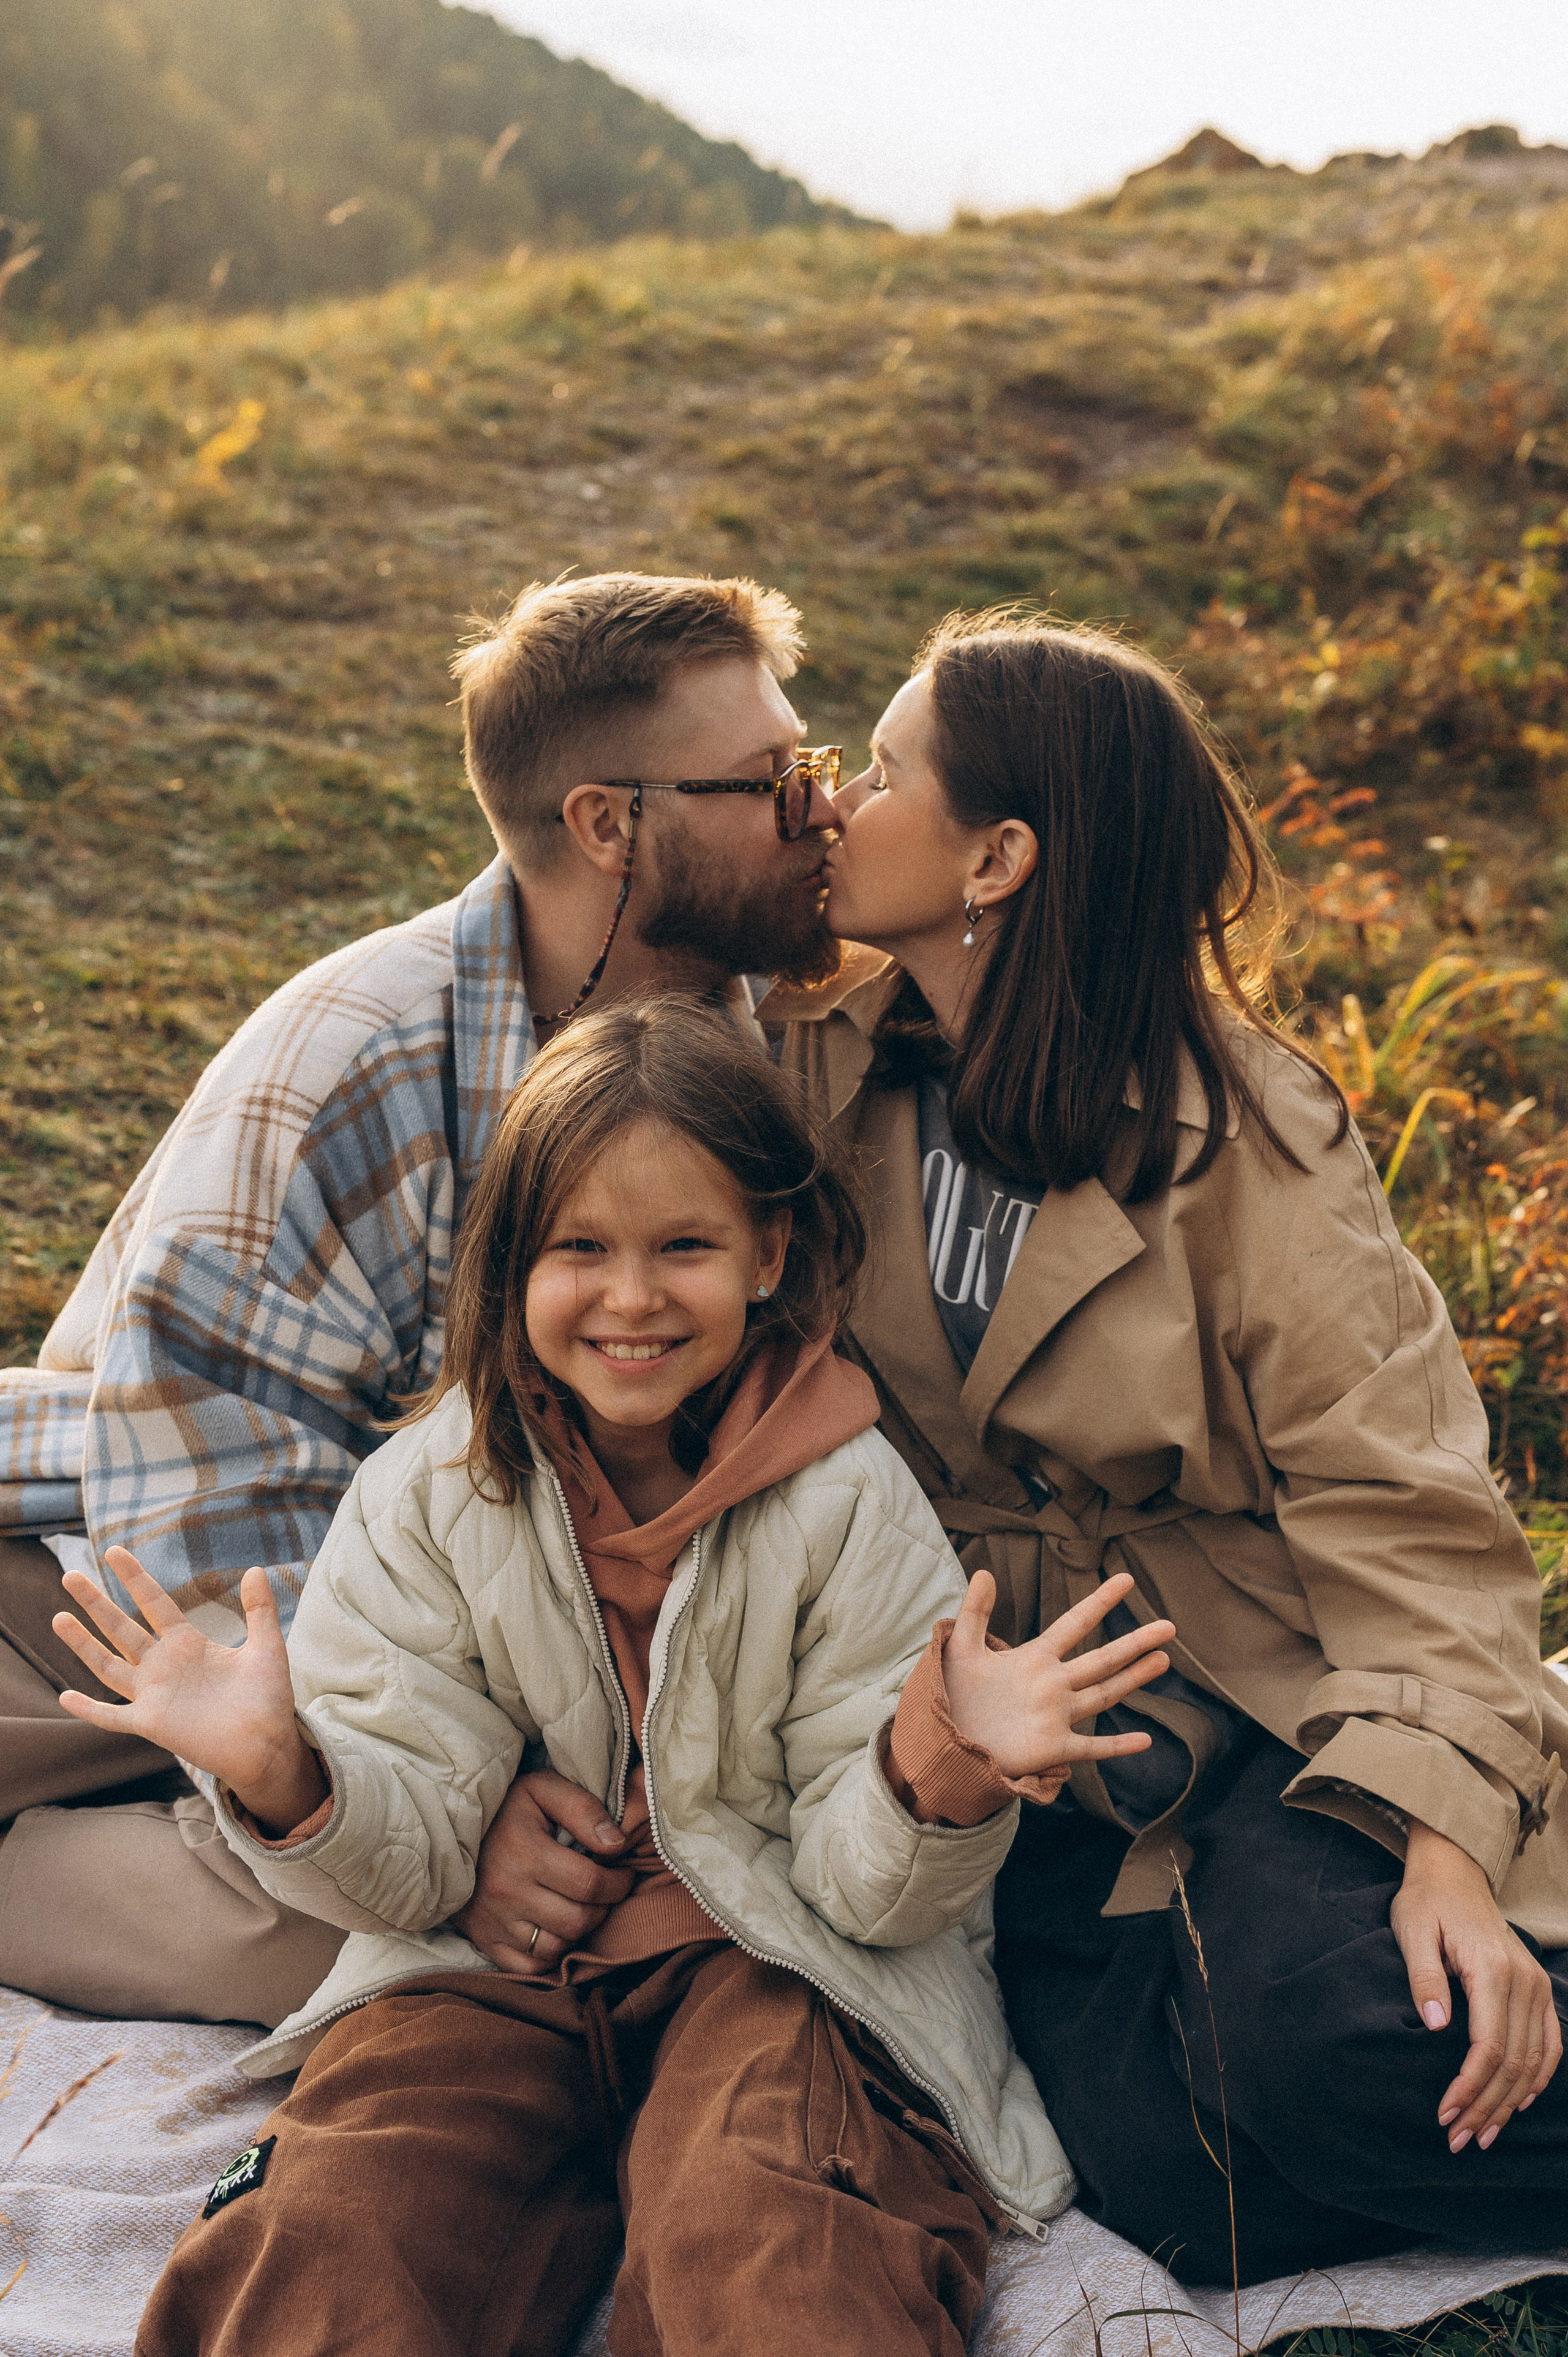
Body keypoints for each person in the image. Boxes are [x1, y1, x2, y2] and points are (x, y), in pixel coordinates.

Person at [53, 997, 1175, 2357]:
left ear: (766, 1250)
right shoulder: (427, 1493)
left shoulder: (849, 1499)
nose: (630, 1297)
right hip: (481, 1965)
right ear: (509, 1258)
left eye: (683, 1246)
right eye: (578, 1247)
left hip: (781, 1965)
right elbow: (396, 1871)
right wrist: (289, 1771)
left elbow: (860, 1896)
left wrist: (938, 1767)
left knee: (771, 2241)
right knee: (331, 2233)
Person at [760, 611, 1568, 2285]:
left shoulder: (1255, 1141)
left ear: (998, 858)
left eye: (885, 769)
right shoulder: (812, 1078)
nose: (836, 799)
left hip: (1271, 1693)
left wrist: (1446, 1847)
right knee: (1151, 2173)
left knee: (1337, 2052)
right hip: (1036, 1734)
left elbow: (1408, 1516)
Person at [0, 570, 846, 2027]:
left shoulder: (757, 1037)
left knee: (625, 1907)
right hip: (106, 1586)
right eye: (773, 783)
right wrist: (451, 1807)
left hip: (435, 1616)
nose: (819, 813)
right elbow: (222, 1510)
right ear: (607, 824)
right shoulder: (347, 1071)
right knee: (418, 1931)